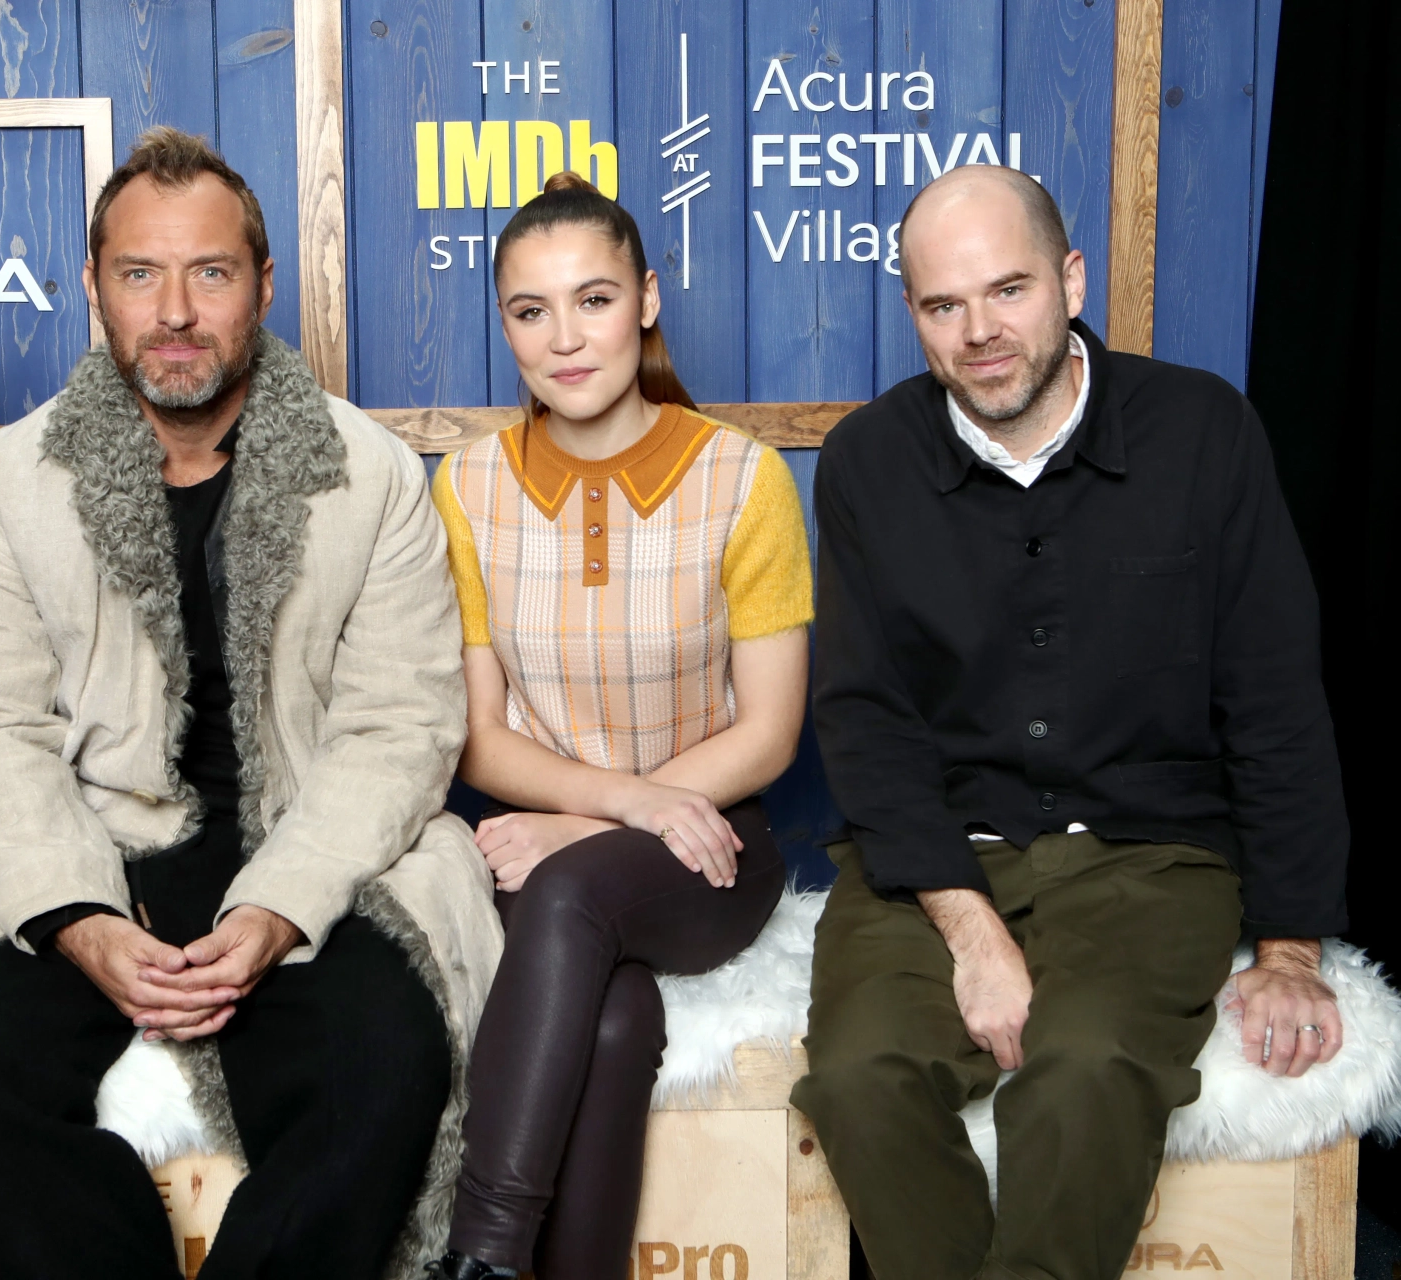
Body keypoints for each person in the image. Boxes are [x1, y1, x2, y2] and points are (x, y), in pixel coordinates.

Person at [0, 127, 503, 1280]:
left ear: (263, 285)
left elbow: (401, 726)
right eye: (139, 274)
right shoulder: (13, 480)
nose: (175, 309)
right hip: (94, 840)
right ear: (97, 292)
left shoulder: (369, 475)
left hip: (303, 839)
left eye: (210, 272)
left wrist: (278, 909)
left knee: (389, 1055)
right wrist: (75, 917)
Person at [793, 164, 1350, 1280]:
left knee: (1085, 1068)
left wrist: (1290, 945)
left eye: (1009, 290)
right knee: (858, 1073)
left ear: (1071, 278)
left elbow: (1277, 702)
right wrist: (971, 928)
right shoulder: (867, 460)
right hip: (936, 858)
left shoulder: (1205, 431)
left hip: (1151, 853)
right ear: (911, 312)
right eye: (943, 305)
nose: (980, 331)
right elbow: (865, 717)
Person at [424, 171, 812, 1280]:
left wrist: (597, 829)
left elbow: (772, 731)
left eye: (593, 300)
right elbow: (478, 740)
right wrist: (620, 805)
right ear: (503, 323)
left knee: (572, 889)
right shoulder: (468, 487)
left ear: (645, 299)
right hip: (535, 848)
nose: (564, 338)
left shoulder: (741, 476)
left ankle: (479, 1254)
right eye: (529, 311)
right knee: (604, 1020)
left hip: (714, 850)